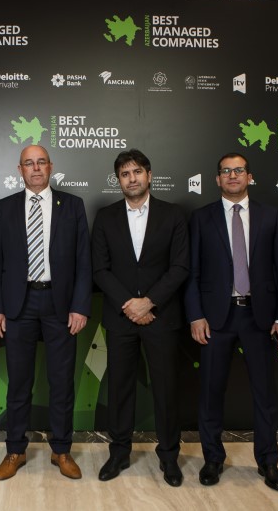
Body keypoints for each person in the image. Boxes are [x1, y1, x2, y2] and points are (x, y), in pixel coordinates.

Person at [184, 152, 278, 492]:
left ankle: (268, 461)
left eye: (239, 170)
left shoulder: (271, 216)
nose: (232, 175)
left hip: (259, 318)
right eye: (226, 171)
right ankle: (213, 459)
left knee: (265, 394)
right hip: (215, 320)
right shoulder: (201, 218)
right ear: (217, 179)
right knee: (210, 393)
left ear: (249, 176)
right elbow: (191, 273)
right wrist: (196, 315)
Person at [0, 145, 92, 481]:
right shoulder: (5, 207)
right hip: (19, 304)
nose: (35, 168)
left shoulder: (72, 206)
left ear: (50, 167)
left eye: (41, 162)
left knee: (61, 382)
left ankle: (61, 450)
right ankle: (15, 450)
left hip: (60, 304)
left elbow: (84, 262)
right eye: (29, 163)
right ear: (20, 169)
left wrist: (80, 306)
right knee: (19, 383)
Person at [91, 149, 189, 487]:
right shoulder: (105, 217)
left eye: (136, 172)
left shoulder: (173, 215)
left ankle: (169, 457)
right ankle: (119, 453)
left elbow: (180, 267)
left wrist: (148, 303)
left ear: (149, 175)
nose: (131, 178)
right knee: (119, 389)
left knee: (166, 390)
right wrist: (129, 305)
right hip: (120, 319)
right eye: (124, 174)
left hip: (162, 317)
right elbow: (100, 269)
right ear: (118, 180)